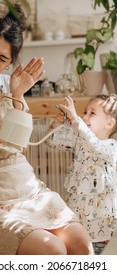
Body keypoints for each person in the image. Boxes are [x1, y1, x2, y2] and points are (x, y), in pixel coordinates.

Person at [0, 4, 93, 255]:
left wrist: (17, 95)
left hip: (29, 193)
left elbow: (20, 147)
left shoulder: (9, 84)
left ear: (11, 62)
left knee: (82, 246)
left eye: (3, 58)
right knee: (53, 251)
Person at [46, 94, 117, 254]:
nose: (85, 116)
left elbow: (96, 146)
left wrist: (77, 121)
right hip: (79, 214)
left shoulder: (112, 146)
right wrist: (57, 123)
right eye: (85, 112)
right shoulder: (80, 140)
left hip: (102, 223)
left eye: (92, 113)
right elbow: (51, 141)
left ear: (110, 123)